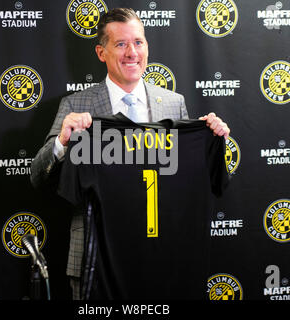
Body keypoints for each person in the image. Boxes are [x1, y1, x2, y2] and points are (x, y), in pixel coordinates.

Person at [30, 8, 230, 300]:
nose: (131, 52)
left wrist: (215, 140)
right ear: (102, 52)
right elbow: (37, 177)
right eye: (121, 44)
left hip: (161, 258)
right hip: (96, 262)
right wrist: (62, 141)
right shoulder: (77, 104)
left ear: (147, 47)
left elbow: (192, 180)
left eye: (138, 42)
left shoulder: (174, 104)